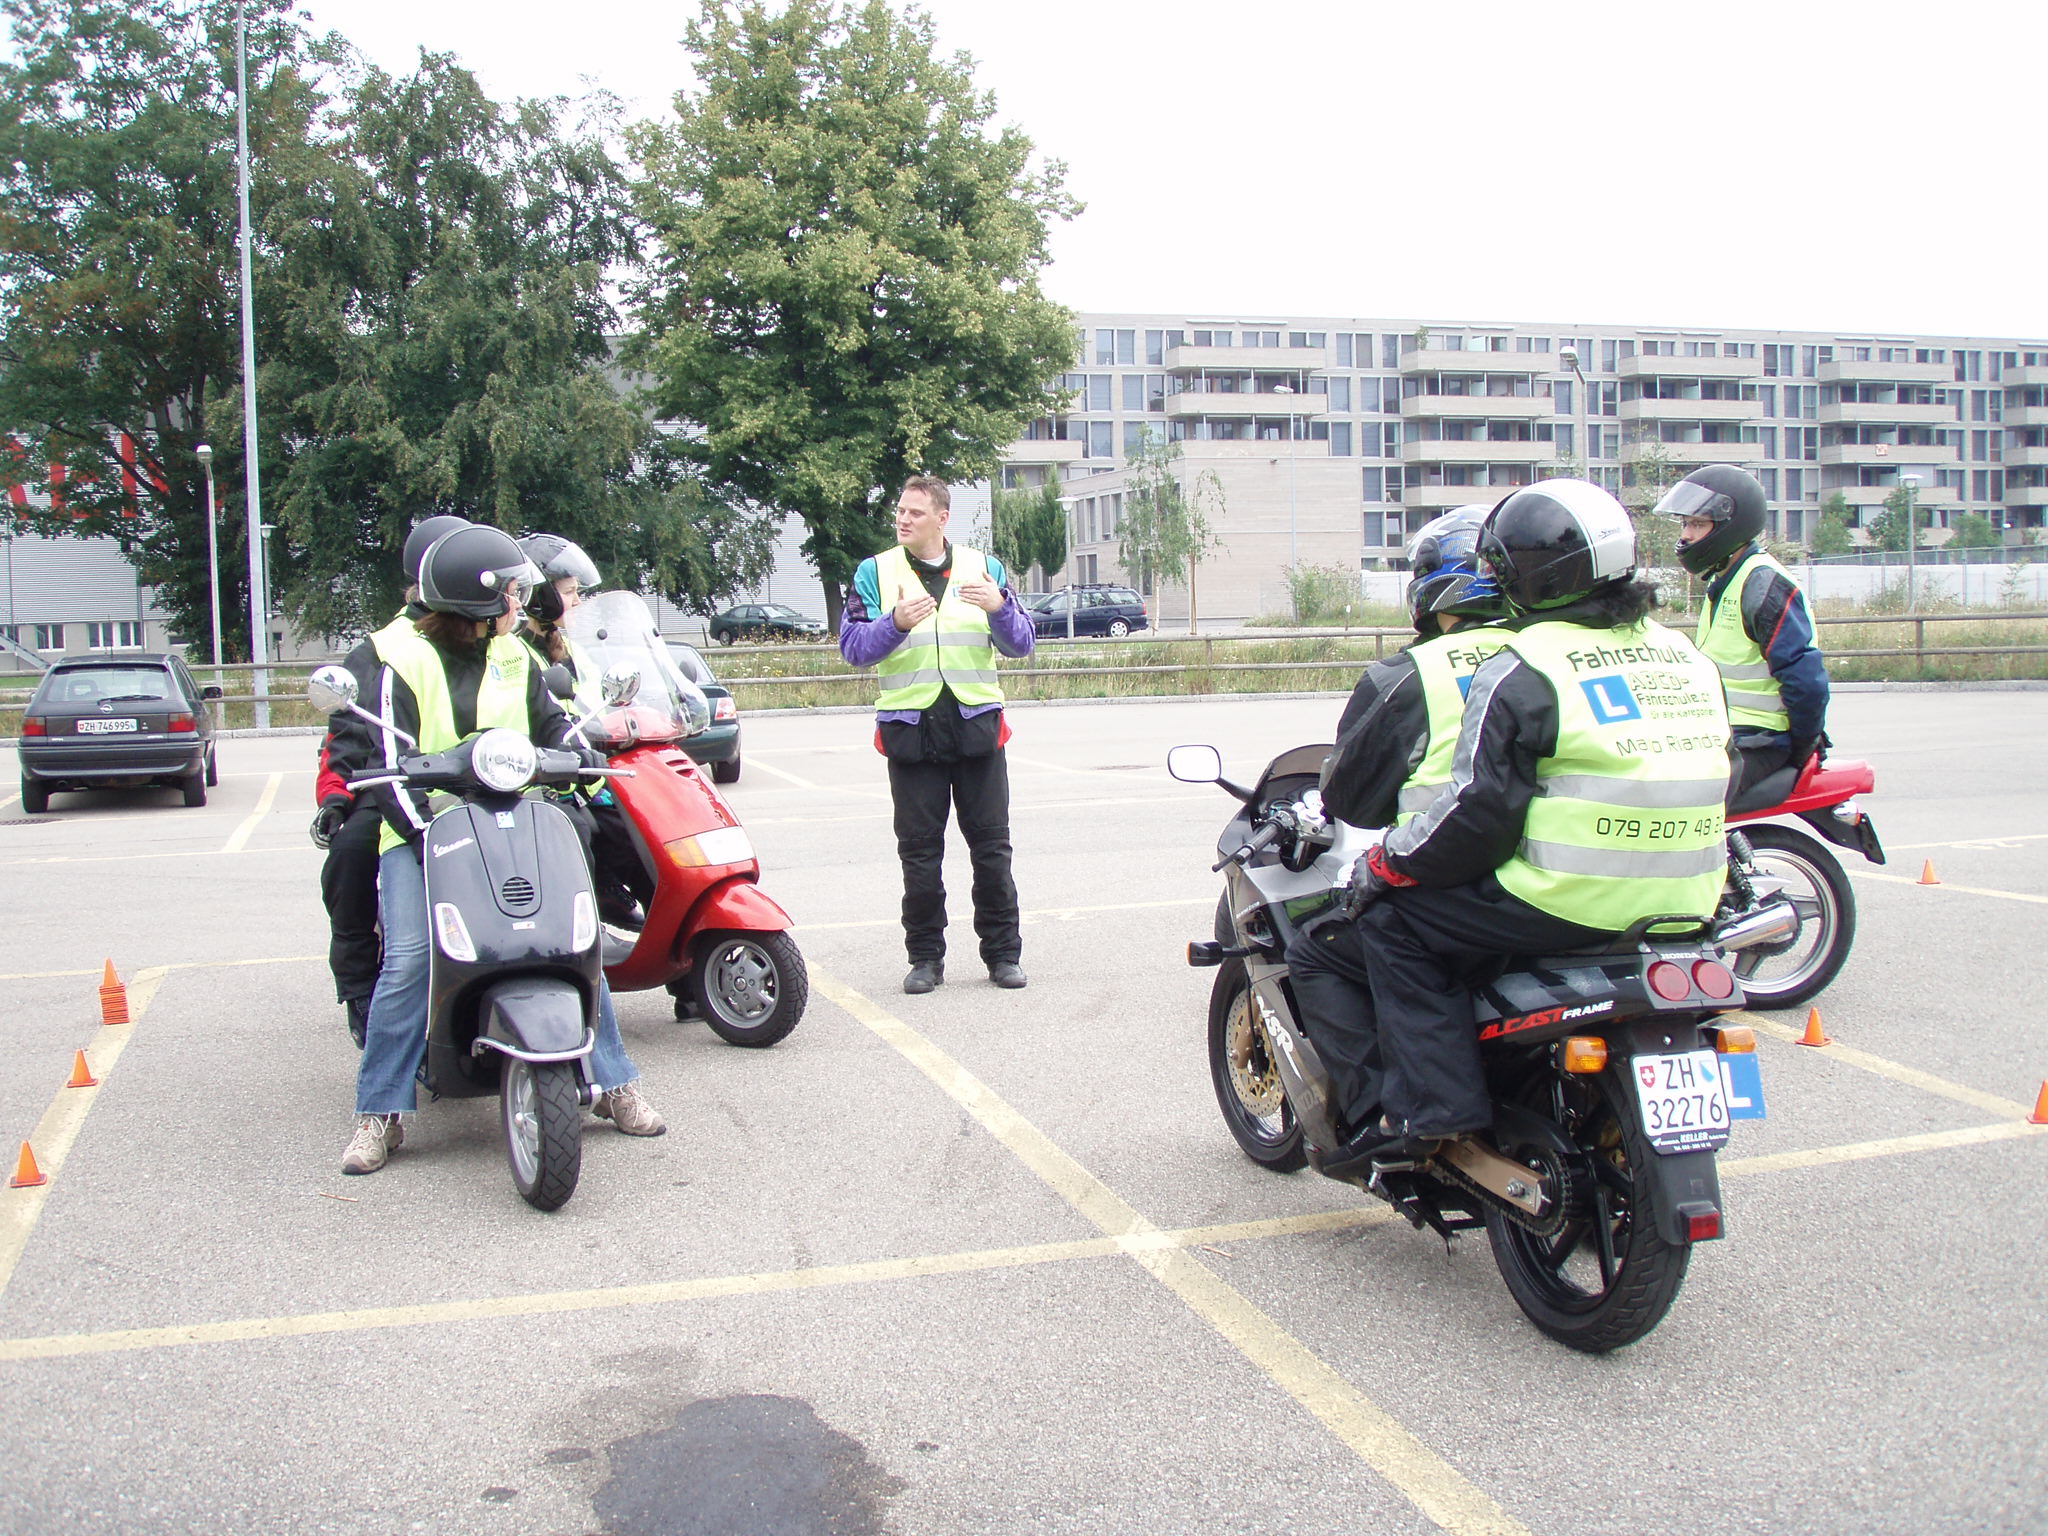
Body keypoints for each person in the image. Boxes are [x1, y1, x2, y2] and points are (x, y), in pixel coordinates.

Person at [1300, 479, 1731, 1170]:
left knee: (1389, 922)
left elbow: (1479, 817)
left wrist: (1389, 866)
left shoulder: (1527, 666)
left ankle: (1428, 1111)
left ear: (1524, 576)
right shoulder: (1687, 658)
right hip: (1692, 901)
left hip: (1568, 900)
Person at [343, 523, 665, 1176]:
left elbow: (548, 718)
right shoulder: (393, 654)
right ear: (478, 602)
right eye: (513, 593)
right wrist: (430, 836)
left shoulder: (512, 651)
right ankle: (380, 1110)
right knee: (408, 958)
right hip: (421, 832)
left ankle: (612, 1081)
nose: (522, 603)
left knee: (574, 939)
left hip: (512, 820)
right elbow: (385, 760)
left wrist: (581, 752)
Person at [1295, 506, 1510, 1133]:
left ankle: (1385, 1116)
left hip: (1464, 884)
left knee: (1322, 951)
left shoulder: (1413, 674)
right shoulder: (1552, 652)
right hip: (1613, 888)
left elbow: (1353, 796)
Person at [838, 475, 1034, 994]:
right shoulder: (874, 572)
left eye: (915, 513)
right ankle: (925, 958)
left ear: (942, 518)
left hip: (976, 730)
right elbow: (853, 648)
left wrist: (999, 608)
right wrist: (895, 622)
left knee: (992, 851)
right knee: (920, 855)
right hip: (911, 733)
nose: (903, 520)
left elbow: (1021, 645)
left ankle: (1003, 956)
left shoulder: (984, 569)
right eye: (900, 511)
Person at [312, 514, 470, 1047]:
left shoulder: (493, 636)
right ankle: (360, 989)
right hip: (394, 788)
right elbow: (350, 736)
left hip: (473, 786)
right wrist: (337, 798)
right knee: (349, 857)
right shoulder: (380, 648)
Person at [1656, 464, 1831, 801]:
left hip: (1761, 742)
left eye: (1697, 524)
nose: (1686, 535)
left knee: (1680, 802)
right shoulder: (1725, 580)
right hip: (1725, 737)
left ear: (1729, 527)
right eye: (1685, 524)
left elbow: (1806, 681)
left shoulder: (1763, 585)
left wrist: (1802, 748)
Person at [512, 532, 652, 929]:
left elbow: (594, 702)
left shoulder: (569, 647)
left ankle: (679, 958)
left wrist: (635, 717)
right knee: (608, 834)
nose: (577, 601)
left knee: (648, 836)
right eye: (570, 592)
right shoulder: (518, 653)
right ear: (540, 595)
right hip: (552, 782)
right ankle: (599, 901)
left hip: (591, 772)